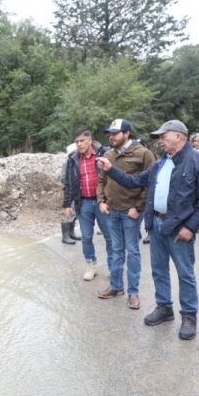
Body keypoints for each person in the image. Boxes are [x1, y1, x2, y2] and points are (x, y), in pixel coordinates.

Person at [96, 120, 199, 340]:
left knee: (185, 274)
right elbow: (133, 182)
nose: (159, 140)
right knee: (159, 270)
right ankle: (164, 307)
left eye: (163, 136)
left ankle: (189, 316)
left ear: (179, 136)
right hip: (156, 225)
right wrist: (110, 169)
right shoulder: (160, 164)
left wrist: (190, 227)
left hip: (180, 228)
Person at [96, 119, 156, 306]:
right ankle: (116, 286)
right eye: (109, 133)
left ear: (127, 133)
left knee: (132, 252)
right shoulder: (108, 154)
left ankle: (133, 292)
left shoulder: (143, 154)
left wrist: (138, 207)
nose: (111, 136)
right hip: (111, 211)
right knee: (115, 250)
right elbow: (101, 180)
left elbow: (150, 184)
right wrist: (101, 201)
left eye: (115, 133)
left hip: (131, 213)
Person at [63, 129, 113, 281]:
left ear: (90, 141)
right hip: (83, 202)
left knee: (110, 236)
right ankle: (91, 265)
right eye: (77, 141)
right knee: (86, 237)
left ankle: (113, 267)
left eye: (82, 141)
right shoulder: (73, 159)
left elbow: (113, 176)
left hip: (102, 202)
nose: (79, 144)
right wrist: (67, 204)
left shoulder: (103, 155)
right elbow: (68, 183)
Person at [61, 143, 83, 244]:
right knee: (69, 213)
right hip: (71, 192)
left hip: (78, 192)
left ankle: (71, 233)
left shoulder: (78, 162)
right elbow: (63, 178)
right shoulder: (67, 163)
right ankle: (65, 236)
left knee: (74, 214)